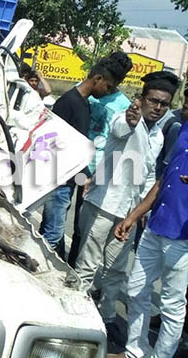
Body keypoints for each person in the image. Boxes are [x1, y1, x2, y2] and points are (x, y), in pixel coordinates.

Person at [72, 71, 177, 327]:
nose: (158, 108)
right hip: (103, 205)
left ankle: (106, 319)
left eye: (164, 104)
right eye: (153, 101)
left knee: (117, 270)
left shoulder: (158, 135)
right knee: (87, 264)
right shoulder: (126, 118)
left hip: (128, 213)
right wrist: (132, 120)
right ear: (141, 100)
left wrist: (140, 213)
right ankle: (74, 315)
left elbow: (149, 175)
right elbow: (120, 128)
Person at [106, 110, 188, 358]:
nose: (181, 110)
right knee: (136, 290)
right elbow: (162, 181)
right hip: (156, 227)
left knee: (172, 307)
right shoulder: (180, 130)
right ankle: (134, 353)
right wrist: (132, 216)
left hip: (183, 238)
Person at [40, 61, 117, 252]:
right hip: (59, 179)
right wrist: (85, 176)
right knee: (54, 233)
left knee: (51, 229)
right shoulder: (68, 102)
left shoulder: (84, 103)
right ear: (97, 78)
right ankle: (37, 274)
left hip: (68, 178)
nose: (107, 92)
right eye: (107, 86)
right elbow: (56, 142)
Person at [67, 51, 133, 266]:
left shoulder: (123, 104)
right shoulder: (87, 88)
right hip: (73, 164)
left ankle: (72, 265)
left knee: (82, 224)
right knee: (59, 212)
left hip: (96, 170)